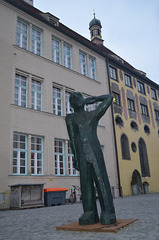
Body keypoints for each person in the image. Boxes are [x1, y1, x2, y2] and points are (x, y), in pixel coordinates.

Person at [65, 92, 116, 225]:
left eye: (77, 97)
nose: (75, 99)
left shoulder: (92, 114)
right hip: (81, 153)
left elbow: (109, 98)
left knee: (101, 181)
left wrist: (91, 99)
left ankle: (108, 211)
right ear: (71, 104)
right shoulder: (70, 118)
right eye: (73, 98)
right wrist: (75, 157)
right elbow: (72, 139)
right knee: (86, 183)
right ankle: (90, 212)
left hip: (94, 150)